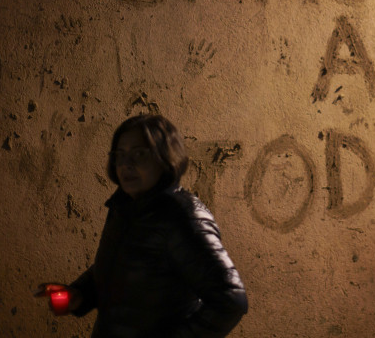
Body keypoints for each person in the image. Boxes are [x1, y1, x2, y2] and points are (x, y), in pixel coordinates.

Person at [35, 114, 248, 337]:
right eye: (120, 155)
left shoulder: (182, 216)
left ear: (165, 158)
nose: (126, 164)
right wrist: (80, 294)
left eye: (139, 154)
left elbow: (231, 299)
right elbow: (124, 268)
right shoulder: (125, 205)